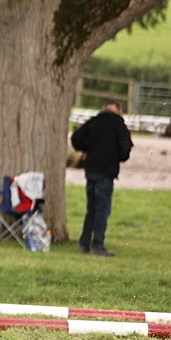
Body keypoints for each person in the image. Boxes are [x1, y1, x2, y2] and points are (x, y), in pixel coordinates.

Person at [70, 99, 133, 257]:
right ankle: (97, 245)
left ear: (104, 108)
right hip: (106, 171)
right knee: (102, 209)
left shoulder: (94, 121)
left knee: (91, 208)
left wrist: (88, 149)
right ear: (118, 109)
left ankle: (84, 243)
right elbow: (126, 149)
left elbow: (75, 139)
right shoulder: (119, 125)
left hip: (91, 169)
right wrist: (115, 156)